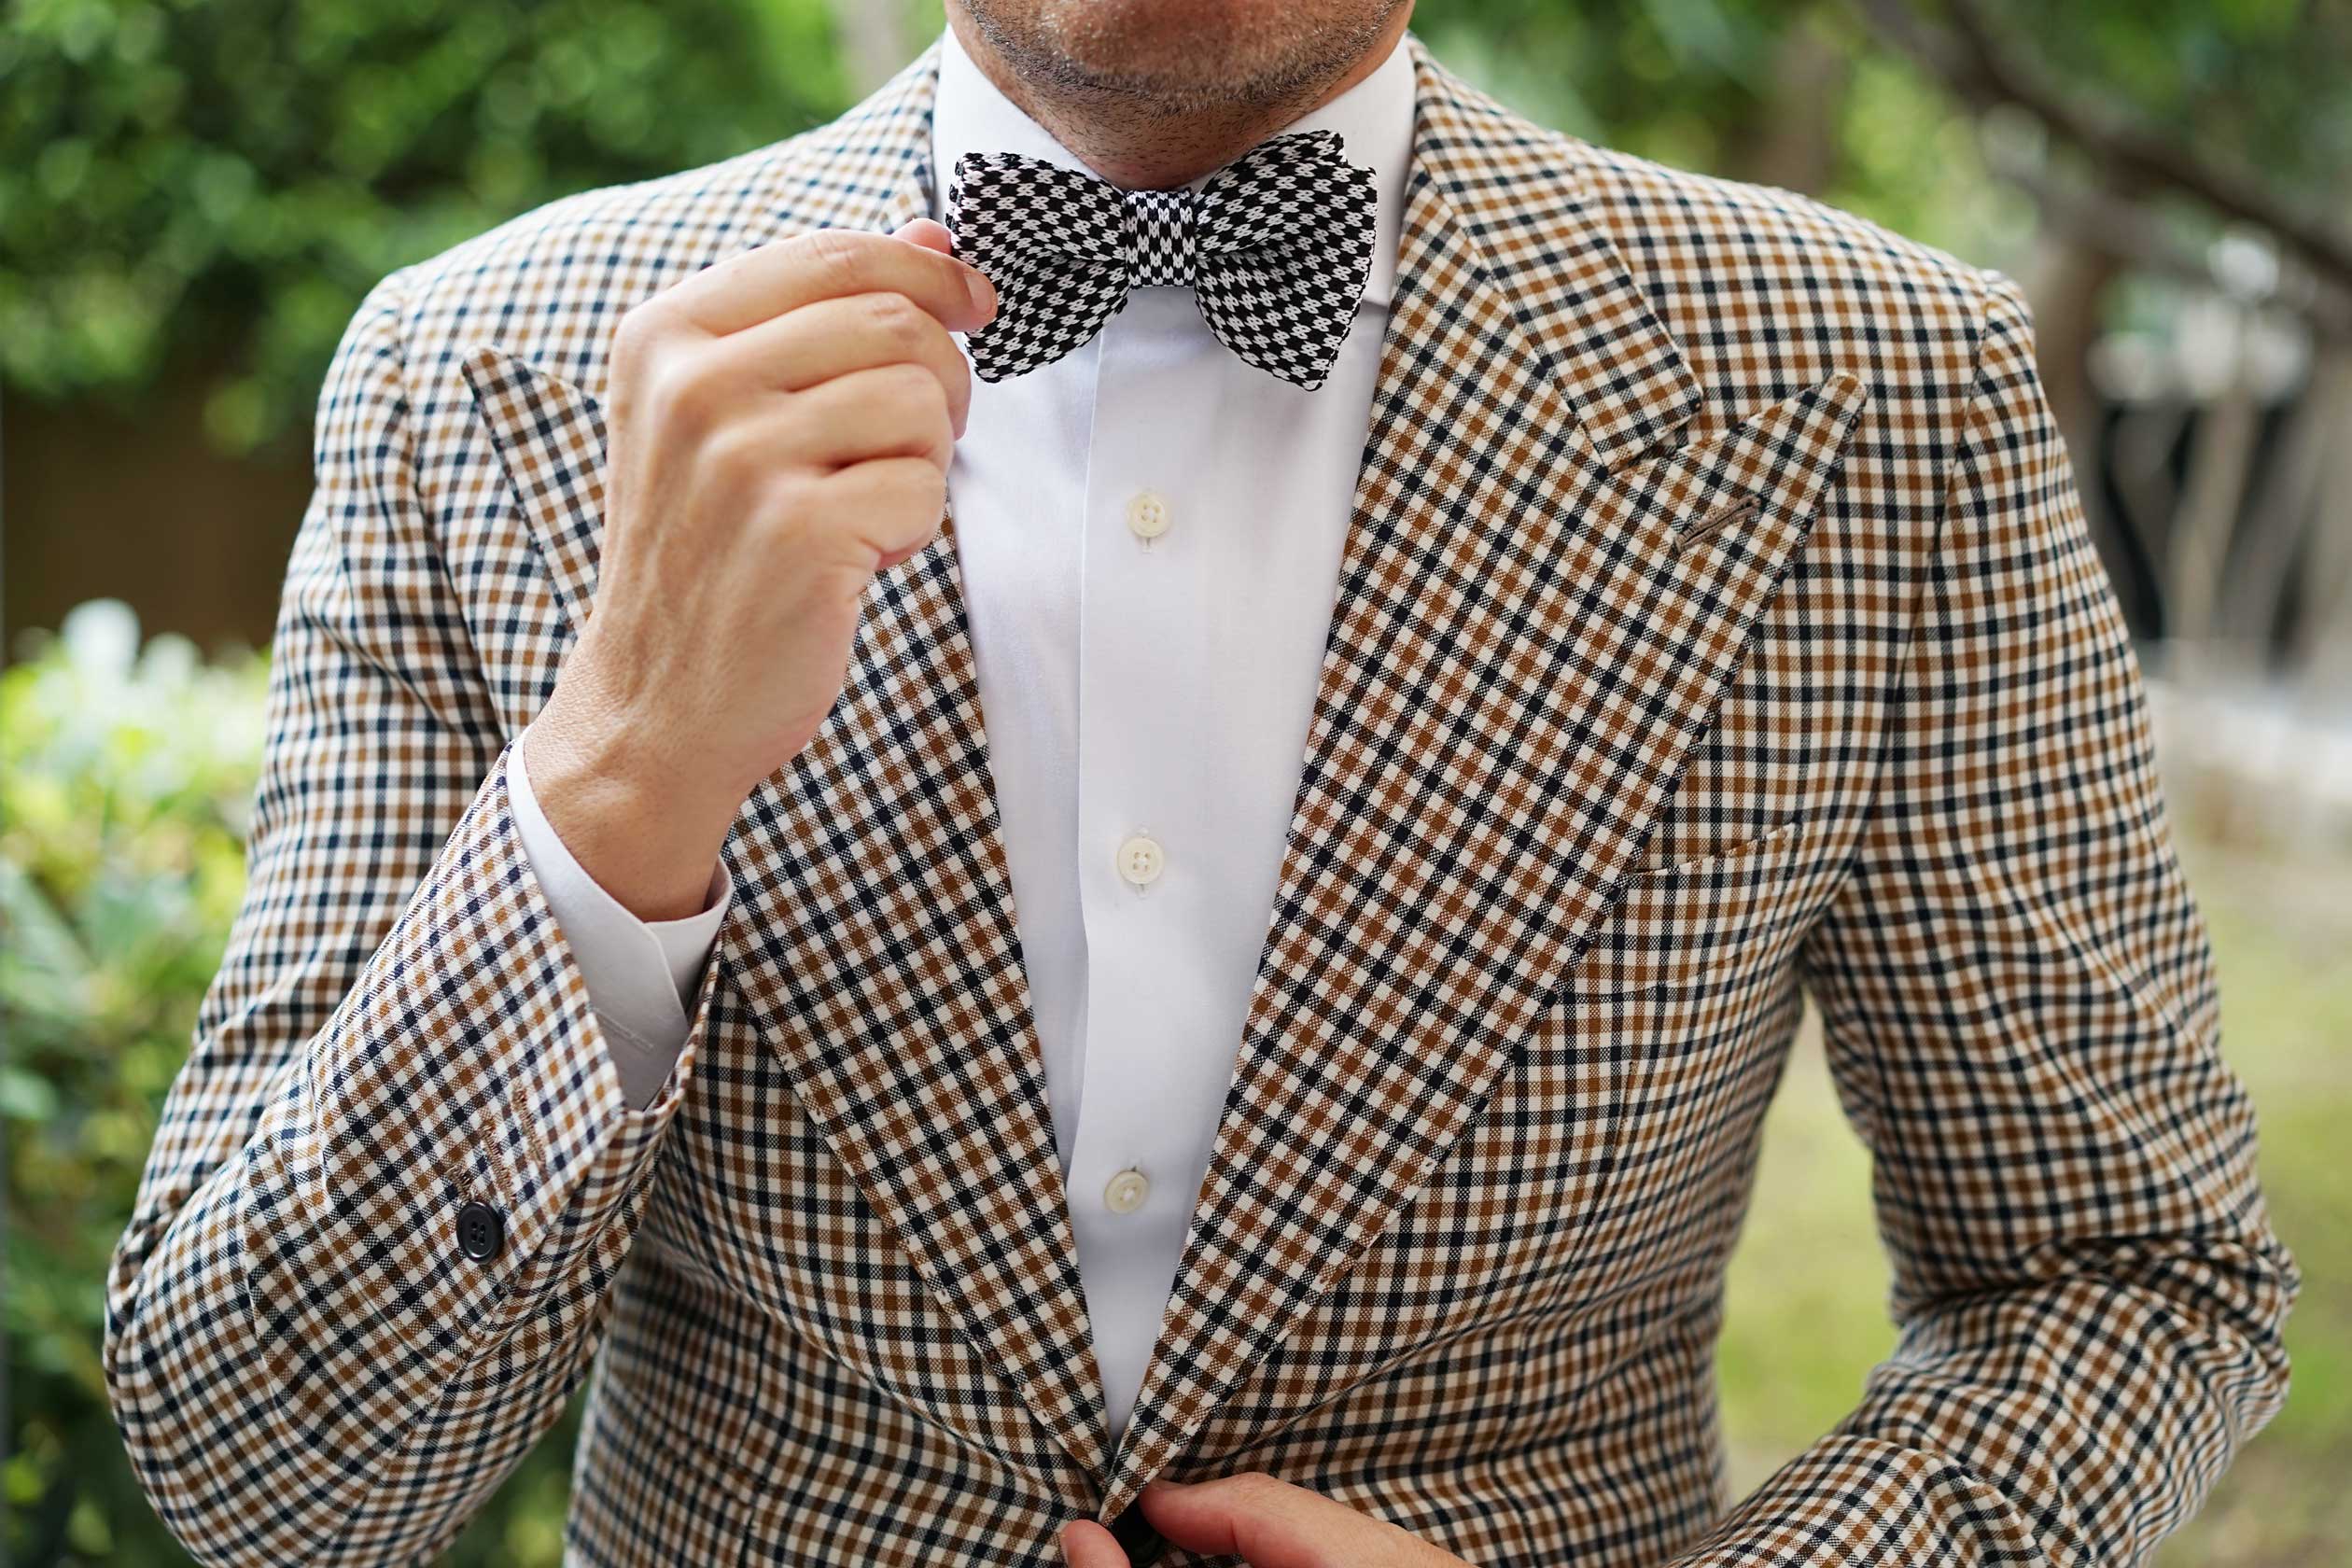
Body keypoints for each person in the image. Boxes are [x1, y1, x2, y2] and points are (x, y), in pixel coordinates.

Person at [105, 2, 2300, 1564]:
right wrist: (619, 767)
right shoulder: (473, 378)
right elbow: (269, 1480)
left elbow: (2124, 1278)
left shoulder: (1876, 393)